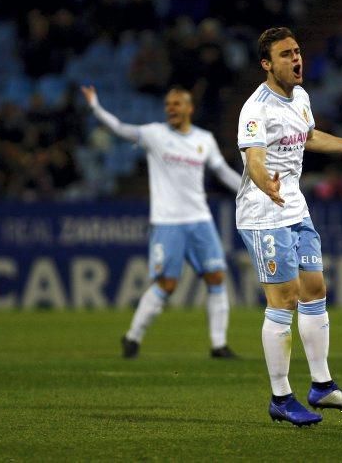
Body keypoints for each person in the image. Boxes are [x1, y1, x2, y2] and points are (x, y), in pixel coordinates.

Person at [236, 27, 342, 426]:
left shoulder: (301, 97)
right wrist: (266, 185)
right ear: (267, 64)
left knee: (315, 290)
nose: (296, 60)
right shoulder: (255, 108)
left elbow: (308, 137)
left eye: (297, 52)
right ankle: (280, 397)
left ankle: (322, 386)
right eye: (285, 55)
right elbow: (254, 159)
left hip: (296, 206)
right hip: (263, 210)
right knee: (284, 300)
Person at [82, 85, 242, 359]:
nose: (171, 108)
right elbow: (120, 128)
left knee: (216, 277)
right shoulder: (154, 134)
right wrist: (96, 107)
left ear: (189, 108)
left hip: (200, 219)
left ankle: (219, 345)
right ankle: (132, 338)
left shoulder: (204, 139)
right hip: (168, 222)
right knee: (167, 284)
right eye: (168, 104)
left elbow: (223, 172)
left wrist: (251, 190)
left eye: (177, 103)